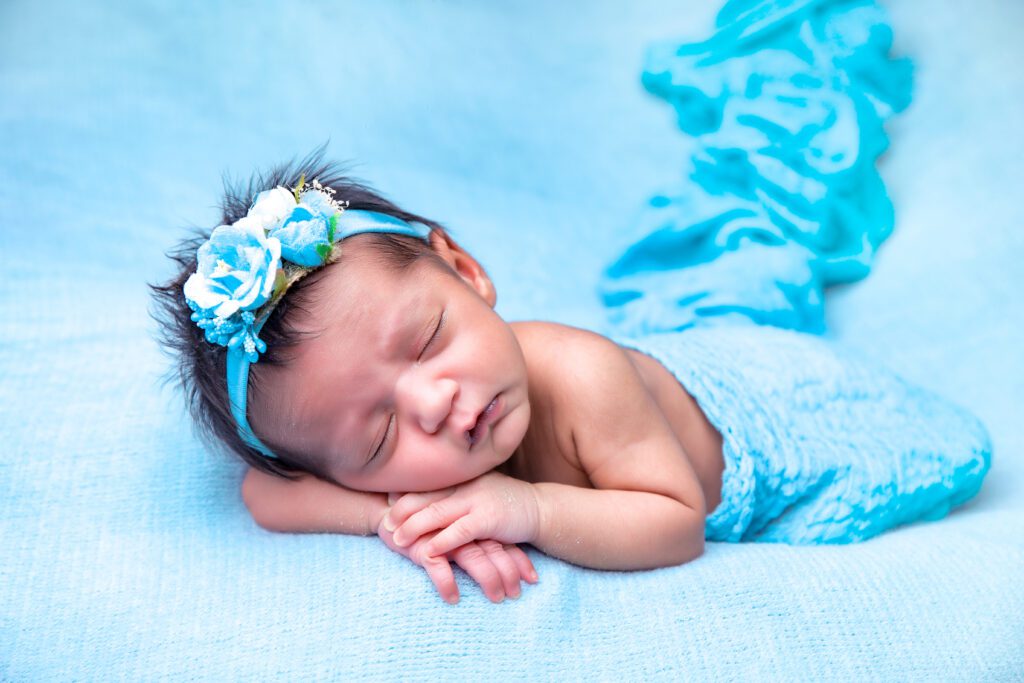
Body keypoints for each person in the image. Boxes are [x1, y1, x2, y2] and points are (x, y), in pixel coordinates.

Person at [152, 152, 990, 605]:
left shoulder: (582, 373)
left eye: (429, 340)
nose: (435, 403)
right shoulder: (378, 467)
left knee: (923, 451)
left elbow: (676, 523)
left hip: (754, 429)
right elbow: (267, 495)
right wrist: (396, 517)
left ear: (466, 271)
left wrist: (529, 508)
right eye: (377, 437)